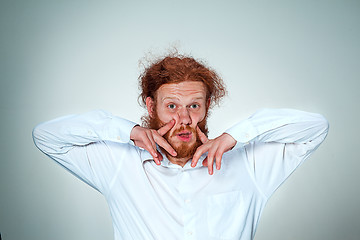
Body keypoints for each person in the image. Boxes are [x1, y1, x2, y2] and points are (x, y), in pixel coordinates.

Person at [33, 54, 329, 240]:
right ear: (152, 107)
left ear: (207, 107)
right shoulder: (119, 164)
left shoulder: (249, 165)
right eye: (172, 105)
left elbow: (315, 128)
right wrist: (128, 131)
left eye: (194, 106)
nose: (184, 119)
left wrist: (235, 135)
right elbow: (46, 136)